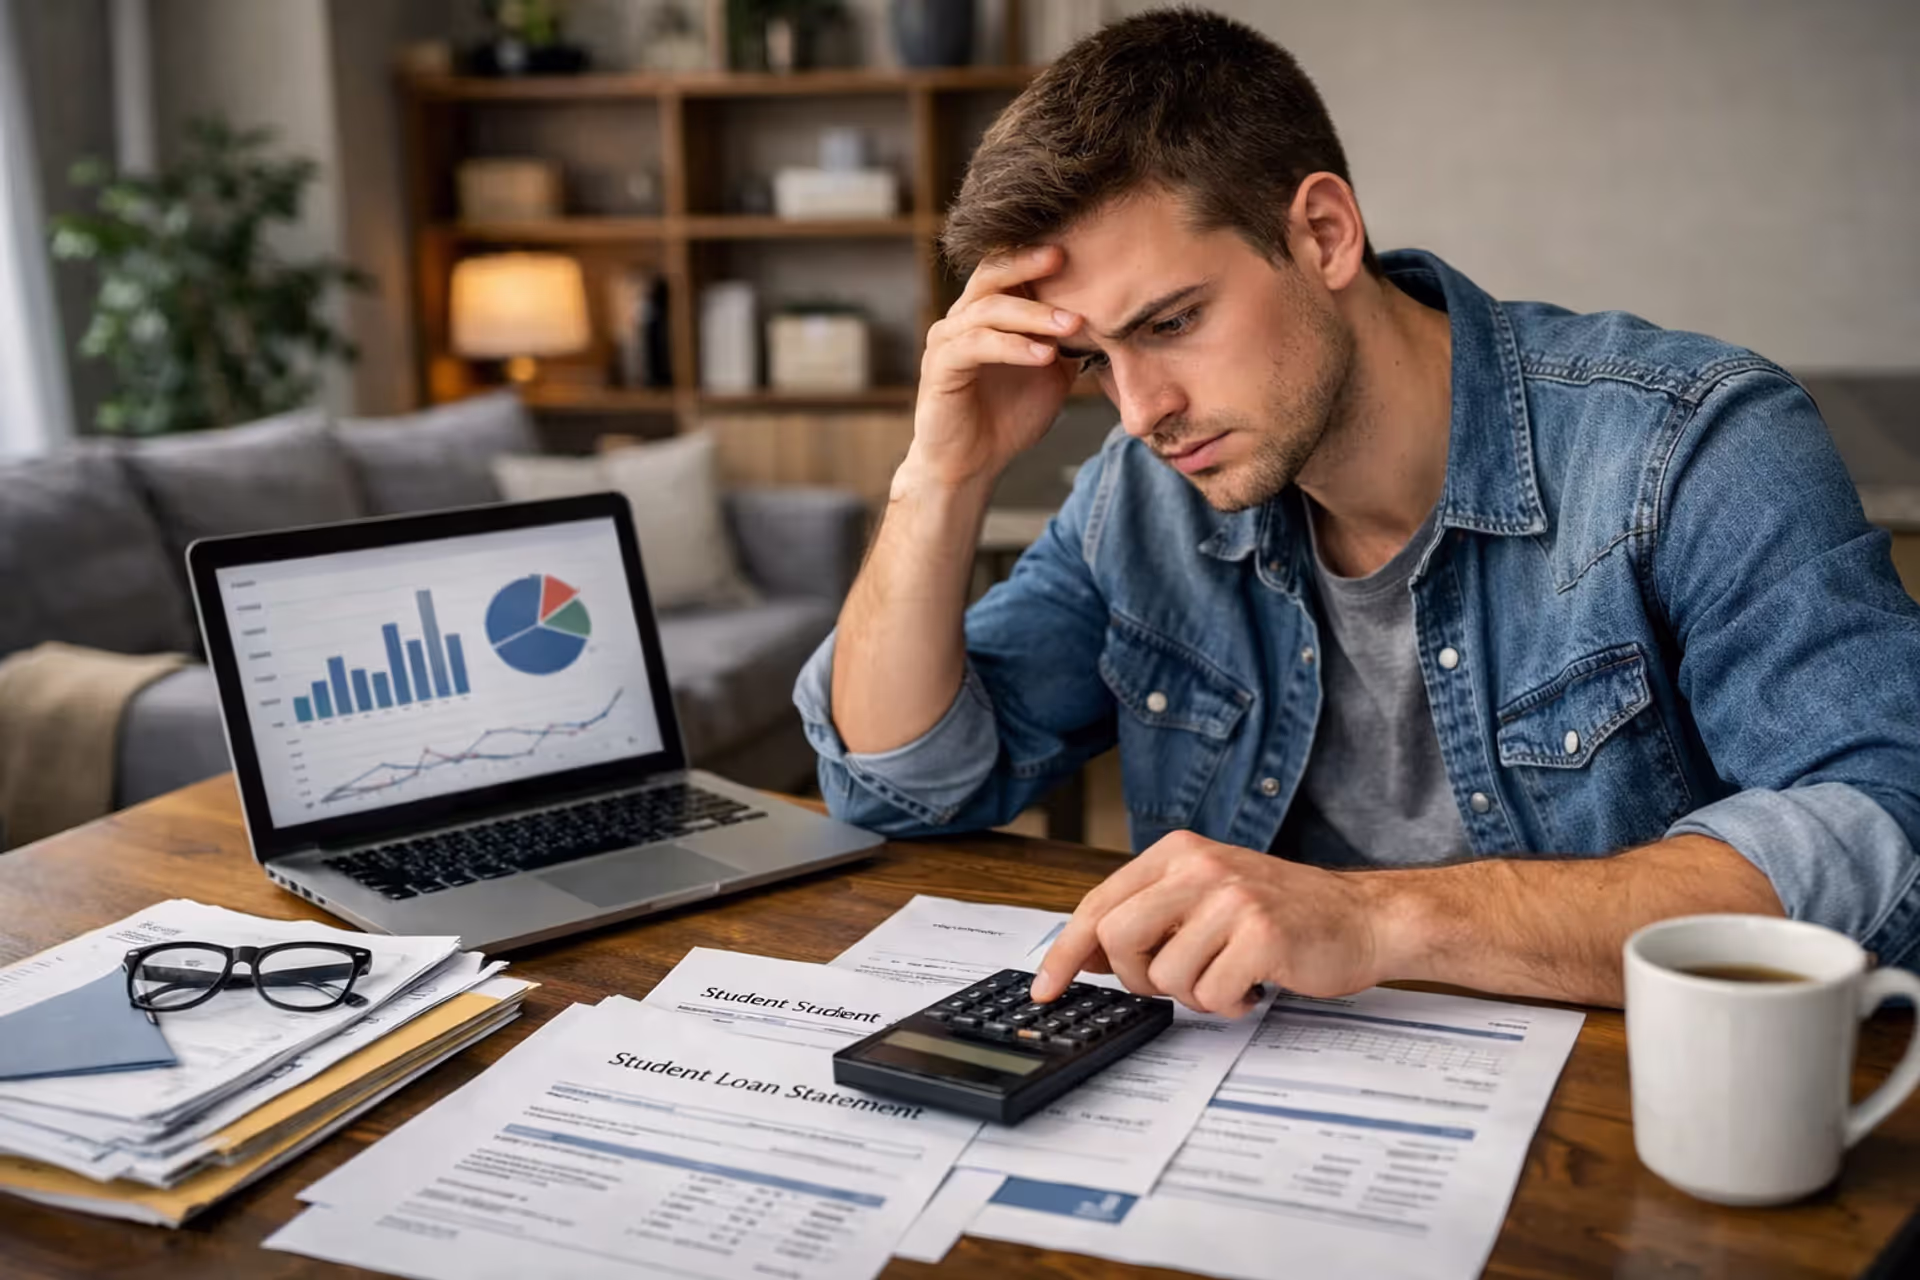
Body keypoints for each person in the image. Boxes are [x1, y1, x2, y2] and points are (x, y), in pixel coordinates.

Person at [791, 9, 1920, 1012]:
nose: (1141, 411)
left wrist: (1375, 919)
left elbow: (1885, 821)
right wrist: (939, 476)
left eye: (1172, 321)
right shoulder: (1142, 498)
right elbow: (902, 781)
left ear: (1323, 234)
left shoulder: (1689, 444)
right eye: (1095, 358)